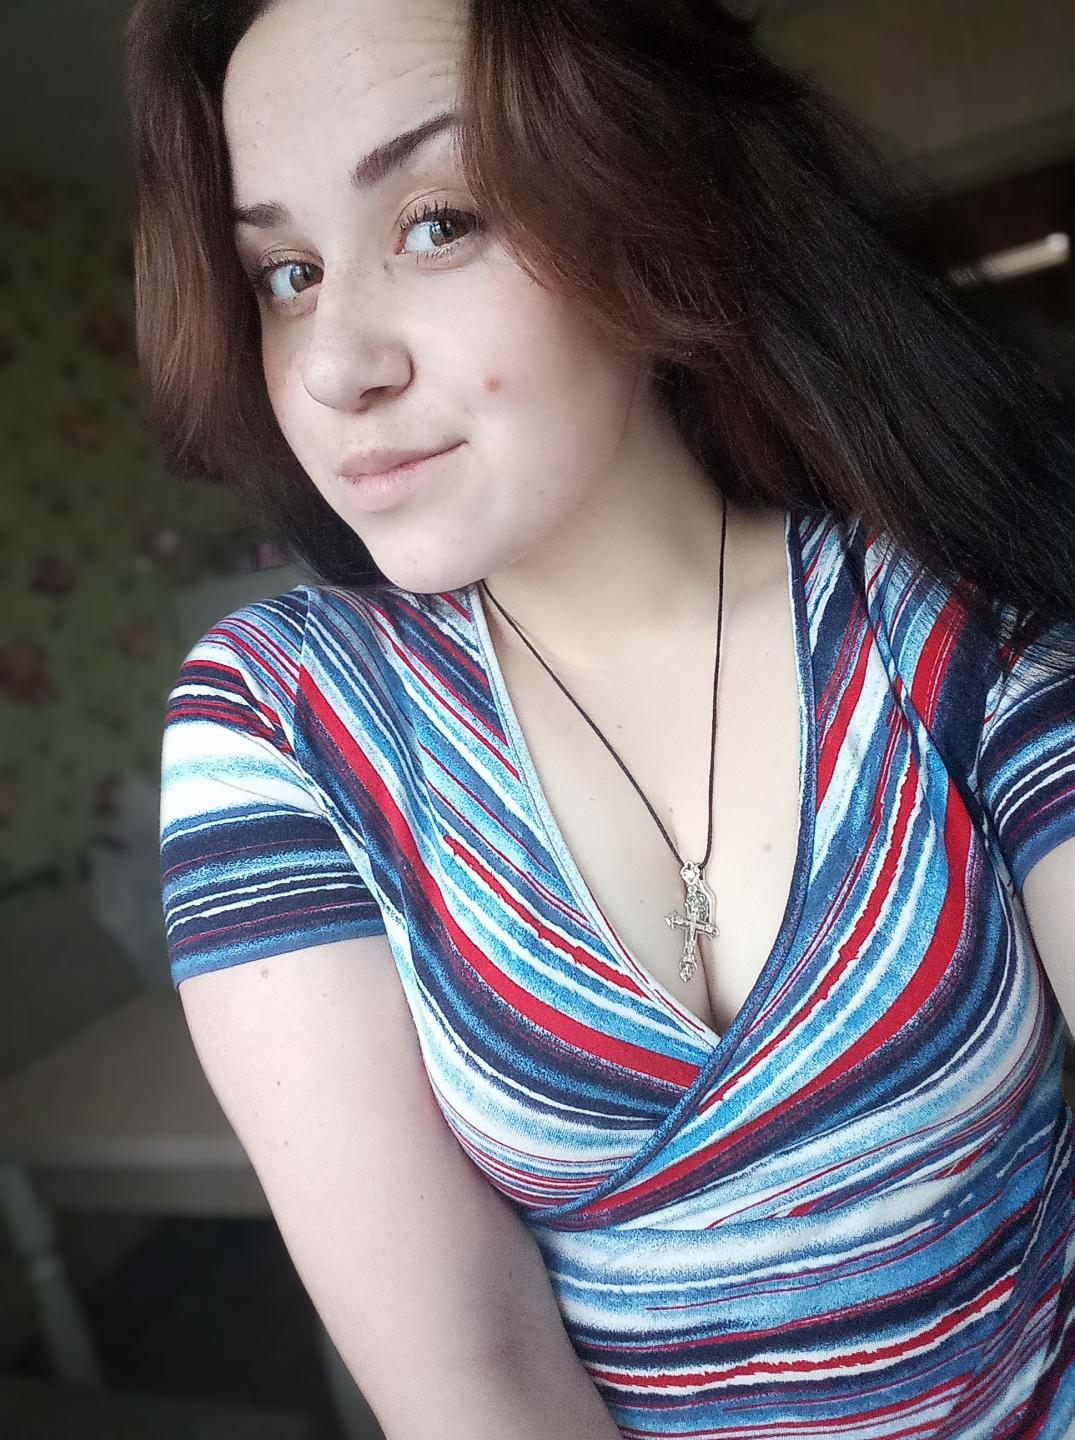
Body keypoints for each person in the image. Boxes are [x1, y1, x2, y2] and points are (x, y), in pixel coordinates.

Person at [126, 0, 1075, 1435]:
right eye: (289, 274)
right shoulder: (287, 721)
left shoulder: (945, 625)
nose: (334, 364)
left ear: (648, 206)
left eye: (438, 222)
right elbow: (476, 1378)